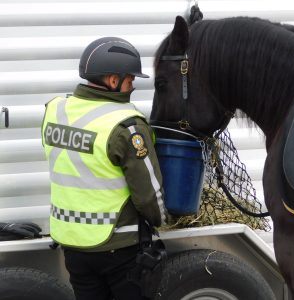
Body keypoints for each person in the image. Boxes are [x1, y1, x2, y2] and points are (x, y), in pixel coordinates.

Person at [41, 37, 168, 300]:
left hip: (72, 243)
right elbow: (147, 194)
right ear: (113, 80)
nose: (132, 85)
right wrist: (163, 220)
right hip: (117, 245)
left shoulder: (55, 111)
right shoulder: (127, 126)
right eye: (130, 79)